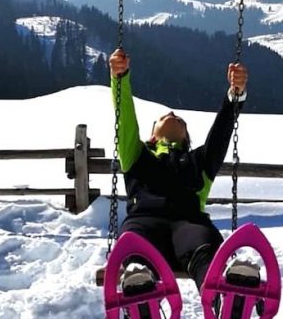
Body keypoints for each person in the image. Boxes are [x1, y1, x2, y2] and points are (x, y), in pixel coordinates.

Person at [108, 47, 256, 293]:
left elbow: (220, 135)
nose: (172, 113)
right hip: (144, 222)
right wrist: (119, 79)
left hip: (189, 225)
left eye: (180, 119)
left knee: (205, 243)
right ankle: (138, 282)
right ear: (152, 134)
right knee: (134, 241)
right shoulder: (136, 153)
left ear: (187, 137)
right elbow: (125, 118)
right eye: (165, 116)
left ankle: (219, 293)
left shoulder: (199, 161)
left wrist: (234, 97)